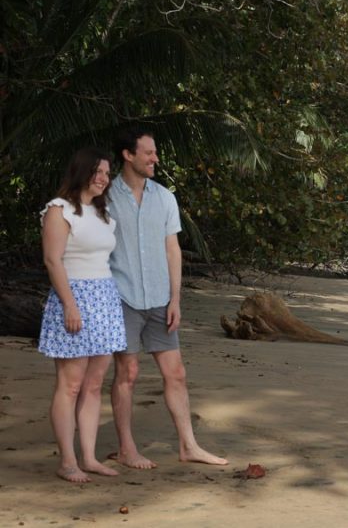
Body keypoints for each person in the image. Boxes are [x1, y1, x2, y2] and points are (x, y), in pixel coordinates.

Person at [107, 127, 227, 468]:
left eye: (155, 152)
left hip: (161, 299)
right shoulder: (107, 196)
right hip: (122, 297)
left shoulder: (164, 197)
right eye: (148, 153)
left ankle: (188, 445)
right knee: (126, 374)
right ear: (128, 155)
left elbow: (173, 250)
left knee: (176, 374)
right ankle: (127, 448)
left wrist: (176, 299)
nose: (155, 158)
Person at [39, 147, 127, 482]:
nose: (104, 178)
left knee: (93, 385)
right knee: (70, 384)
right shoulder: (59, 210)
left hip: (104, 298)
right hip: (73, 296)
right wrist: (70, 305)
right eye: (98, 172)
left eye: (107, 172)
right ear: (81, 172)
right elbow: (52, 260)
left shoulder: (104, 215)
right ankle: (68, 460)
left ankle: (89, 457)